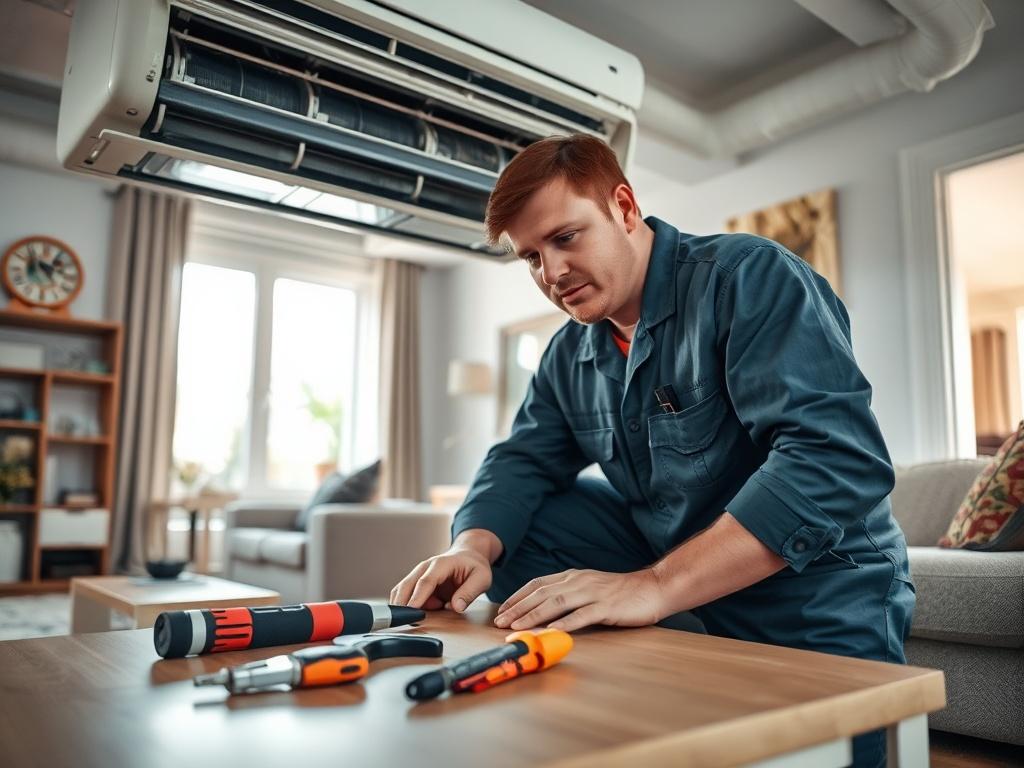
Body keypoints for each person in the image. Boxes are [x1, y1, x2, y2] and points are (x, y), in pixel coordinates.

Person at [391, 134, 914, 768]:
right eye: (531, 257)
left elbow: (835, 459)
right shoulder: (568, 353)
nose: (550, 274)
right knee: (522, 525)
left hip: (816, 588)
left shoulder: (746, 277)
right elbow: (523, 459)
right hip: (674, 565)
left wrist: (656, 586)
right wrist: (470, 545)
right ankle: (624, 695)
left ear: (623, 207)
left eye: (565, 238)